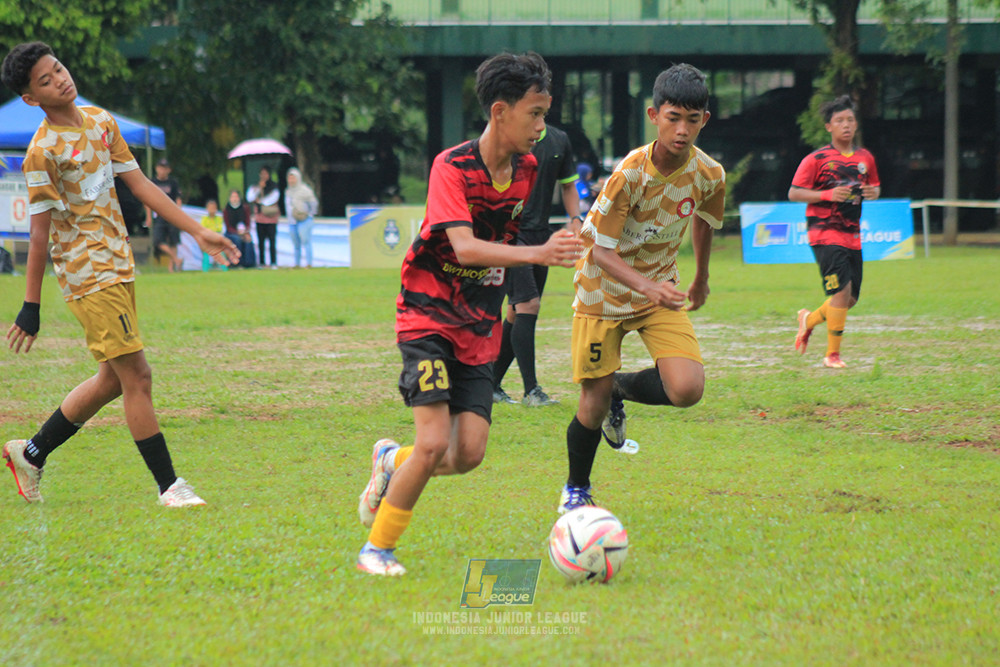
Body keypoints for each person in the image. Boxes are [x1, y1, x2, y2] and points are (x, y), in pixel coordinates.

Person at [354, 51, 582, 576]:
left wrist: (561, 243)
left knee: (468, 454)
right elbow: (464, 247)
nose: (542, 128)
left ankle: (390, 461)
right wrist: (538, 253)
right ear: (500, 111)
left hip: (477, 327)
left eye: (545, 114)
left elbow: (503, 242)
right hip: (428, 316)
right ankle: (376, 549)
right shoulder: (451, 167)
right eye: (535, 114)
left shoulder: (528, 170)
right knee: (434, 442)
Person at [0, 41, 240, 507]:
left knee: (112, 379)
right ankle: (170, 486)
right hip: (88, 276)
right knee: (138, 376)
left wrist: (198, 231)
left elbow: (142, 185)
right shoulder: (42, 152)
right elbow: (39, 232)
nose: (60, 80)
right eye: (46, 81)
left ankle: (30, 454)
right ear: (31, 99)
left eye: (58, 69)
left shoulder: (101, 122)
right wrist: (30, 304)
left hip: (119, 264)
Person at [557, 63, 726, 514]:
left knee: (687, 388)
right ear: (654, 116)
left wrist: (701, 277)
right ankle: (576, 488)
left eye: (692, 119)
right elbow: (599, 251)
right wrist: (649, 288)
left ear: (704, 120)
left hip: (658, 290)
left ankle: (621, 388)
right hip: (601, 291)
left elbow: (705, 220)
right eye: (673, 118)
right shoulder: (630, 174)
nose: (682, 129)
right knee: (591, 404)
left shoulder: (709, 174)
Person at [492, 122, 582, 407]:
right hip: (511, 235)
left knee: (516, 312)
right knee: (528, 304)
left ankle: (490, 385)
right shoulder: (507, 135)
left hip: (541, 235)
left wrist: (576, 219)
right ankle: (532, 391)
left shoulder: (559, 140)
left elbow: (568, 185)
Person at [789, 95, 880, 369]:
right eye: (839, 120)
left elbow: (875, 187)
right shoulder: (816, 159)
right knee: (841, 292)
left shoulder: (865, 158)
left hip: (853, 235)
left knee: (849, 299)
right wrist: (828, 194)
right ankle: (832, 355)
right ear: (829, 126)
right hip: (824, 233)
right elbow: (794, 193)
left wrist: (872, 192)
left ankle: (808, 320)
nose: (846, 125)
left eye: (850, 120)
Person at [148, 158, 184, 272]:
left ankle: (171, 267)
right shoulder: (153, 182)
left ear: (169, 170)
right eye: (160, 168)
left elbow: (178, 199)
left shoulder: (173, 183)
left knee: (173, 241)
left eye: (165, 168)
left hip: (172, 214)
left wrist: (178, 213)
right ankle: (176, 259)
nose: (162, 171)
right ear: (156, 169)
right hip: (160, 215)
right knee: (157, 241)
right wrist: (148, 216)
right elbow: (147, 200)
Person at [284, 167, 318, 268]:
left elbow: (313, 203)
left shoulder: (305, 190)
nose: (291, 180)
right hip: (292, 221)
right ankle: (297, 263)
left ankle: (309, 263)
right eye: (289, 178)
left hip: (304, 220)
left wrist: (310, 214)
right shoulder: (288, 191)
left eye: (293, 178)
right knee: (296, 243)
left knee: (306, 240)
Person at [246, 166, 280, 268]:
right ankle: (261, 262)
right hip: (260, 218)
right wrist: (259, 188)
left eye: (266, 174)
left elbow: (272, 199)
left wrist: (260, 201)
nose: (264, 176)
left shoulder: (274, 187)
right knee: (261, 241)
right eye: (262, 174)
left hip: (271, 218)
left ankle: (273, 262)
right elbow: (250, 198)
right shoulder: (255, 186)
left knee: (272, 241)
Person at [222, 189, 256, 268]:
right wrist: (237, 233)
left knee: (248, 239)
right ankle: (237, 262)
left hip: (243, 231)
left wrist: (245, 231)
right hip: (231, 233)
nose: (234, 199)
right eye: (233, 197)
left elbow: (248, 222)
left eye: (236, 197)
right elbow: (228, 226)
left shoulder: (245, 208)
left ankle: (249, 263)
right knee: (237, 239)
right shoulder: (226, 210)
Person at [198, 199, 228, 271]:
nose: (212, 210)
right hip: (208, 241)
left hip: (217, 241)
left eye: (213, 208)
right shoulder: (204, 219)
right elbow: (203, 231)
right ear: (207, 209)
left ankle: (225, 269)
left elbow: (221, 230)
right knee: (206, 254)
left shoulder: (219, 219)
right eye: (210, 208)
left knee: (222, 252)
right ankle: (205, 270)